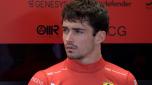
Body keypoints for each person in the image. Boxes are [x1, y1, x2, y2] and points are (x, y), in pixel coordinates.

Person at [28, 0, 138, 85]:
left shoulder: (124, 80)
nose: (68, 39)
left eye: (78, 31)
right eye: (66, 30)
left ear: (100, 37)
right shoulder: (44, 80)